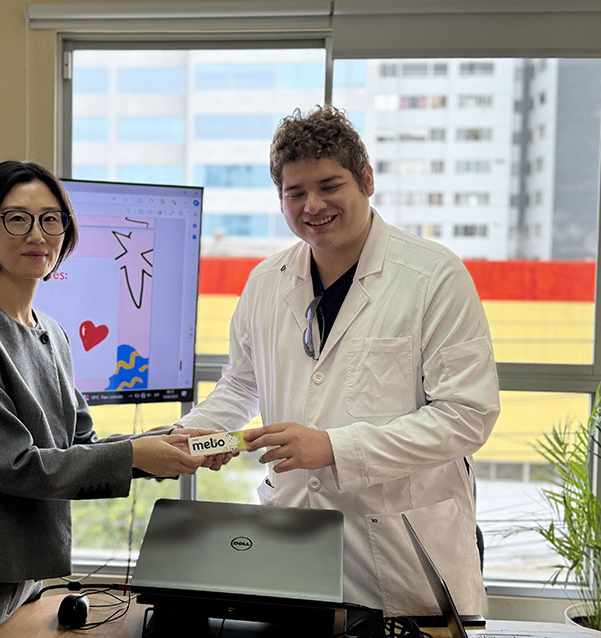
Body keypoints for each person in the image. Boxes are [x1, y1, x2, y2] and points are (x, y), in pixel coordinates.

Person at [176, 106, 500, 617]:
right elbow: (241, 385)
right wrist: (194, 434)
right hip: (295, 541)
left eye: (330, 186)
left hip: (404, 550)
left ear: (366, 179)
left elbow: (466, 415)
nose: (313, 206)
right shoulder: (265, 282)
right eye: (295, 193)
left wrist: (334, 447)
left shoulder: (433, 276)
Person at [0, 160, 219, 637]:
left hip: (22, 574)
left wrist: (168, 443)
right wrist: (136, 454)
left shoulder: (54, 333)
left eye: (51, 219)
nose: (37, 234)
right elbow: (13, 465)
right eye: (17, 218)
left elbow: (80, 447)